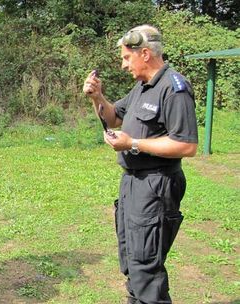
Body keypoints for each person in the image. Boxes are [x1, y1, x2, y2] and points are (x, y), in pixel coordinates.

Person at [83, 25, 198, 304]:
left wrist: (132, 144)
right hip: (133, 184)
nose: (123, 65)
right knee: (133, 262)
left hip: (156, 185)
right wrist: (97, 97)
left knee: (146, 266)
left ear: (144, 54)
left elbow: (186, 145)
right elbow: (113, 118)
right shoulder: (142, 87)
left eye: (126, 57)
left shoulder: (174, 88)